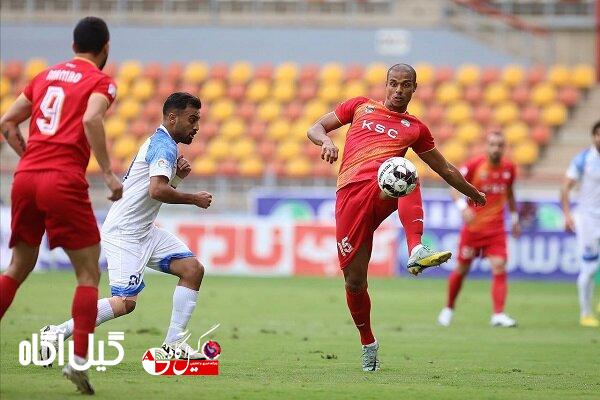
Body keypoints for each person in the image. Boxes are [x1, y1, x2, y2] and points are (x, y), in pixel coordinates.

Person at [307, 63, 486, 372]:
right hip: (350, 199)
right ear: (386, 84)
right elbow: (315, 128)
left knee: (405, 174)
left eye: (405, 85)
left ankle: (416, 249)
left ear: (414, 88)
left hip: (382, 190)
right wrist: (326, 141)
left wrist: (473, 192)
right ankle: (368, 342)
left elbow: (444, 168)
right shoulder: (360, 106)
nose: (399, 90)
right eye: (393, 83)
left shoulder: (415, 128)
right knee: (354, 282)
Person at [41, 92, 214, 365]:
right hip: (125, 233)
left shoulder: (164, 144)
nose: (196, 127)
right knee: (124, 303)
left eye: (198, 120)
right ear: (172, 118)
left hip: (144, 230)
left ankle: (173, 344)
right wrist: (194, 199)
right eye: (192, 119)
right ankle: (56, 332)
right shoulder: (164, 146)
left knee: (192, 270)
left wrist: (178, 178)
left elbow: (151, 192)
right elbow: (156, 191)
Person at [0, 16, 122, 394]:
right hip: (63, 179)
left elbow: (7, 123)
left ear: (73, 46)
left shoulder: (44, 76)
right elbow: (91, 118)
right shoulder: (100, 81)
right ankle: (79, 361)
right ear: (105, 48)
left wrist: (30, 159)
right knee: (88, 273)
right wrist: (108, 174)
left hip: (26, 177)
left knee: (18, 266)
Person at [437, 132, 520, 328]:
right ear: (486, 146)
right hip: (473, 229)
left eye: (499, 145)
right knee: (462, 268)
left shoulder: (509, 168)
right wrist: (462, 208)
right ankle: (448, 308)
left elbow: (510, 193)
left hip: (496, 229)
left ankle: (498, 314)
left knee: (499, 265)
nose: (496, 149)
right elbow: (453, 187)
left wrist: (515, 218)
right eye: (492, 144)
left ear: (504, 148)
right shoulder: (474, 165)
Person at [560, 120, 600, 328]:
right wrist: (567, 215)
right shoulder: (584, 159)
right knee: (590, 268)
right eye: (599, 134)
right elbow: (565, 187)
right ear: (594, 137)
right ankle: (586, 313)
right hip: (588, 220)